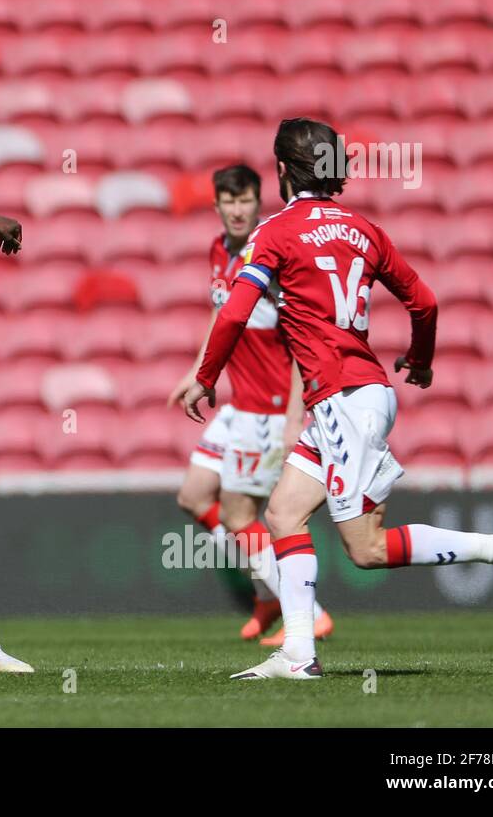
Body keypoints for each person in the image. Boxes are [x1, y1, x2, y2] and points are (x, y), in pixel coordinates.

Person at [182, 118, 493, 680]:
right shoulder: (364, 229)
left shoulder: (275, 231)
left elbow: (236, 309)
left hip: (342, 398)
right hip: (355, 393)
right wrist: (422, 359)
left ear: (282, 171)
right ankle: (298, 654)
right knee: (283, 513)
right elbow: (425, 302)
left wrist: (206, 375)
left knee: (367, 548)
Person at [167, 164, 334, 645]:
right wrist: (199, 371)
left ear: (259, 201)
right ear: (217, 204)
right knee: (194, 496)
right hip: (238, 404)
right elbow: (223, 314)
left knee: (242, 516)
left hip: (270, 408)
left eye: (246, 201)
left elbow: (305, 337)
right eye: (229, 201)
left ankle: (306, 609)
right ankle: (267, 594)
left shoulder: (274, 251)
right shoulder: (219, 250)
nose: (238, 210)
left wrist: (294, 417)